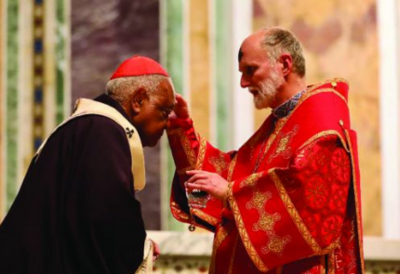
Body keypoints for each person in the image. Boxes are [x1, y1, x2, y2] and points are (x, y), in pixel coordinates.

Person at [167, 27, 364, 273]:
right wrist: (181, 128)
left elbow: (309, 198)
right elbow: (226, 174)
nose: (243, 83)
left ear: (284, 64)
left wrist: (231, 193)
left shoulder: (322, 117)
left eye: (251, 70)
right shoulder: (279, 123)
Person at [0, 56, 175, 273]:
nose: (168, 124)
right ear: (138, 101)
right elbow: (106, 220)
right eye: (164, 112)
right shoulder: (103, 131)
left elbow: (83, 219)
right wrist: (140, 248)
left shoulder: (89, 127)